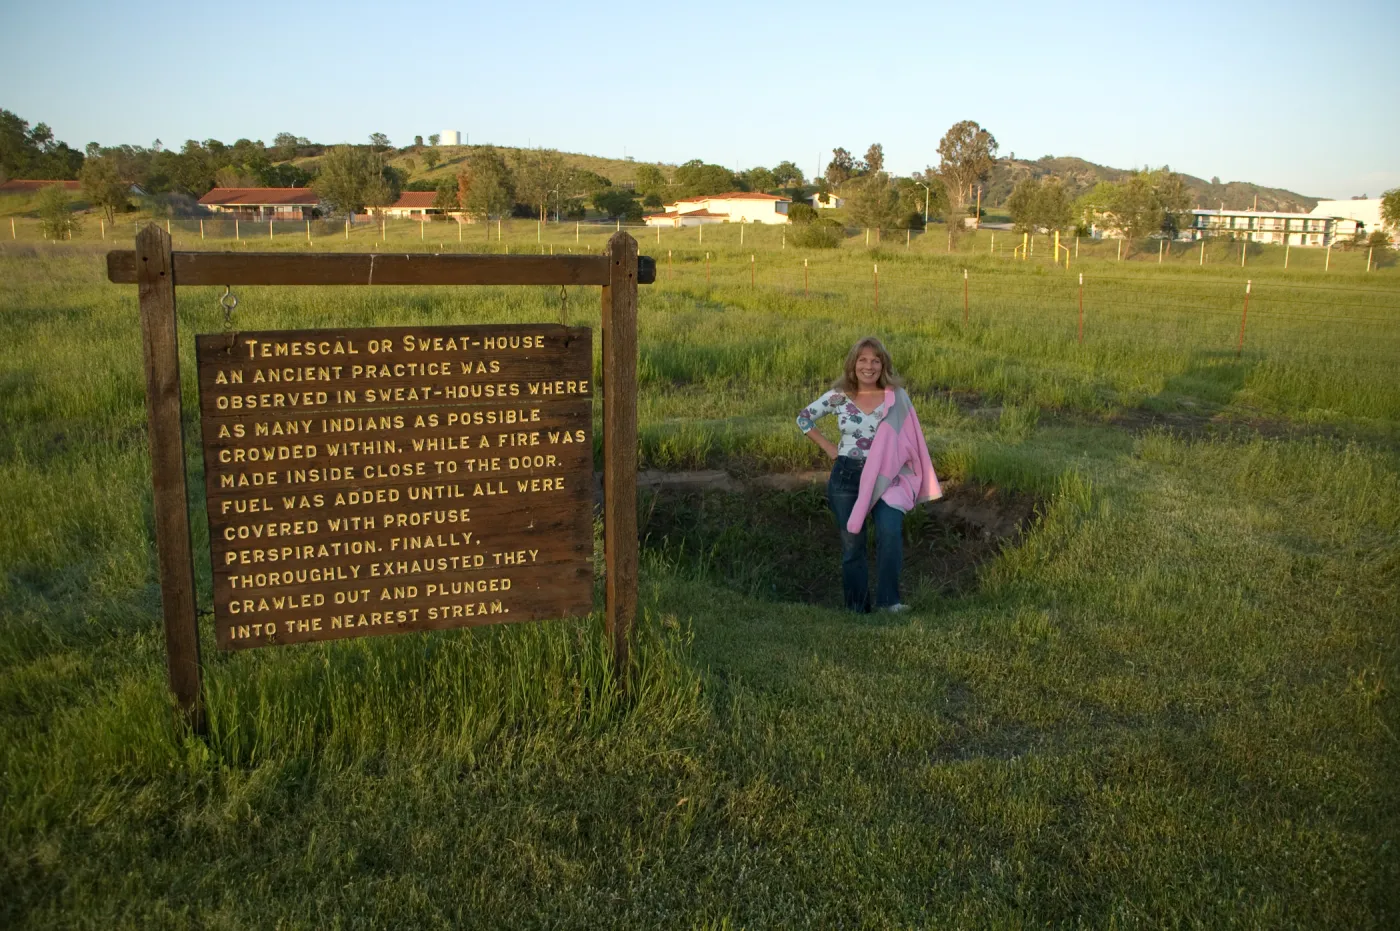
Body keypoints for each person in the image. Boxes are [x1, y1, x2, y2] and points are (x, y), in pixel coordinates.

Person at [796, 337, 941, 613]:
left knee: (889, 532)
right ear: (853, 364)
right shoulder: (839, 396)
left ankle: (889, 602)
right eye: (862, 359)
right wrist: (829, 448)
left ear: (883, 365)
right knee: (852, 545)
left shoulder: (896, 397)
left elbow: (911, 439)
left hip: (888, 479)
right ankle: (856, 608)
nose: (869, 366)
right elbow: (803, 418)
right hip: (847, 477)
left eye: (876, 360)